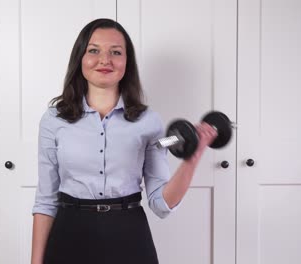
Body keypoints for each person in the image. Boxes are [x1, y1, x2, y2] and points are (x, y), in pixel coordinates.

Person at [31, 18, 217, 264]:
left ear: (127, 62)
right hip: (69, 234)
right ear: (80, 58)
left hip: (129, 235)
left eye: (115, 52)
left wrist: (191, 160)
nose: (105, 59)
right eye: (94, 50)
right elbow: (45, 201)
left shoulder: (149, 122)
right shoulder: (54, 120)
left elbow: (161, 204)